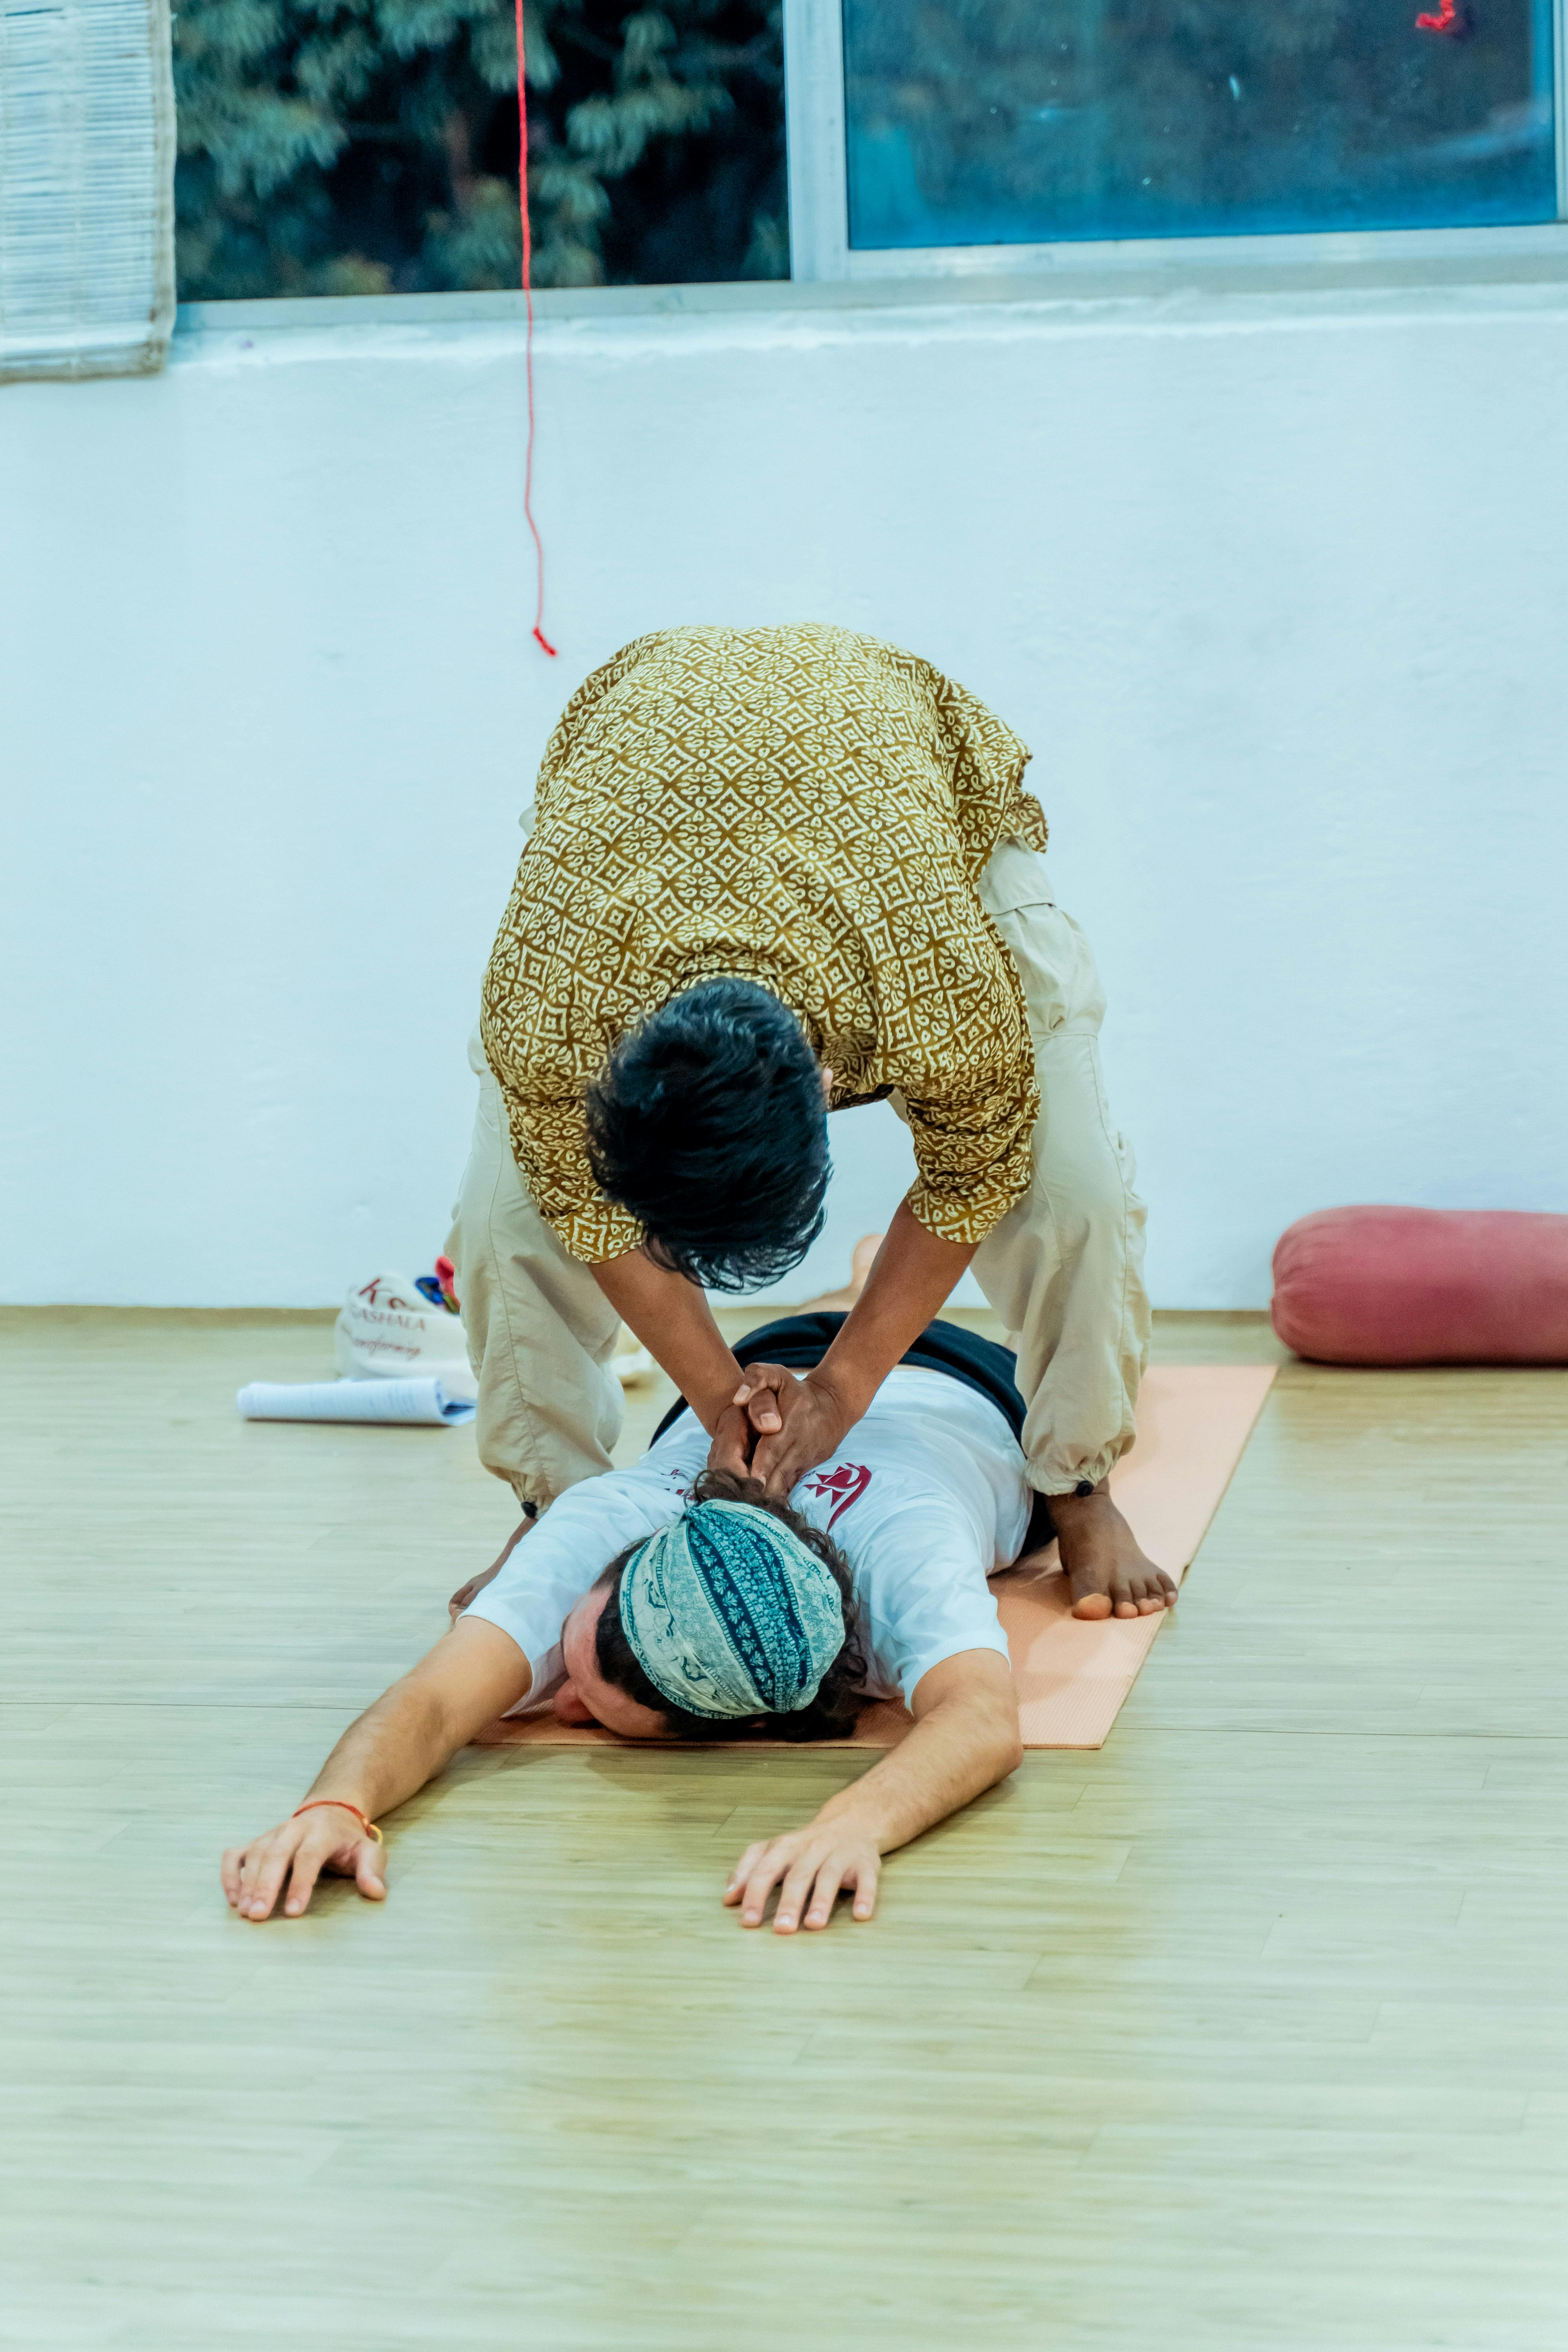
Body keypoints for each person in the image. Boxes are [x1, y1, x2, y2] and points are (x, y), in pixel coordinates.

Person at [450, 622, 1155, 1620]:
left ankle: (1079, 1488)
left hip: (904, 808)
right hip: (630, 803)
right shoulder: (549, 1007)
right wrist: (722, 1401)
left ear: (830, 1085)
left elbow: (972, 1174)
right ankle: (559, 1508)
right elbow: (580, 1207)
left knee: (1070, 1185)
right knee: (504, 1221)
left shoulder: (938, 979)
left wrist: (838, 1392)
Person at [219, 1319, 1177, 1936]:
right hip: (759, 1358)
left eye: (578, 1705)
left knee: (1110, 1351)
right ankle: (857, 1278)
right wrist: (333, 1807)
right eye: (578, 1681)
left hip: (976, 1384)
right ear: (623, 1565)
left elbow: (984, 1720)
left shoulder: (906, 1548)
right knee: (850, 1298)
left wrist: (847, 1829)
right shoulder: (613, 1518)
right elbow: (433, 1701)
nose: (561, 1711)